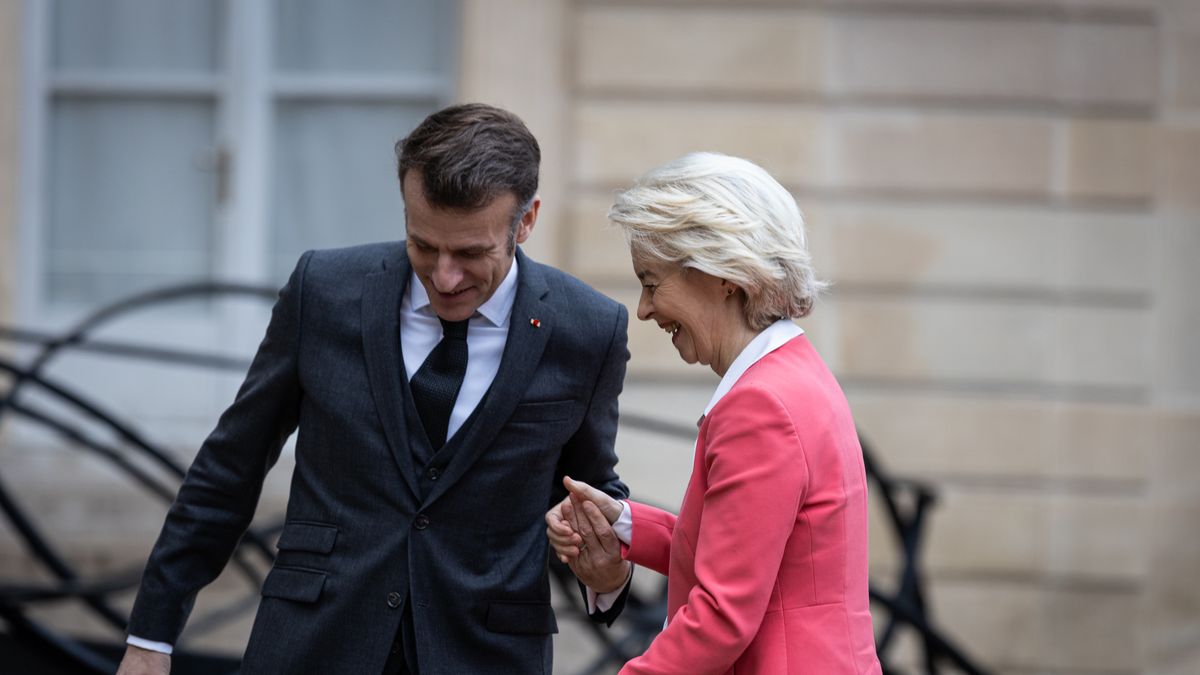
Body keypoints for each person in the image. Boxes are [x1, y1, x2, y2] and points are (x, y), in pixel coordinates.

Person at [116, 103, 633, 675]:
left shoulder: (588, 329)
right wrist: (150, 639)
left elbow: (591, 490)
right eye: (422, 245)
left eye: (470, 253)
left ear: (527, 220)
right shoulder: (324, 292)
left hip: (486, 655)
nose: (443, 276)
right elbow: (228, 468)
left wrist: (610, 571)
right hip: (311, 645)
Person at [547, 152, 882, 674]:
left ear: (722, 274)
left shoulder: (759, 403)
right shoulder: (793, 372)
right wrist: (627, 524)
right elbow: (749, 547)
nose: (644, 309)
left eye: (652, 282)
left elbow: (724, 615)